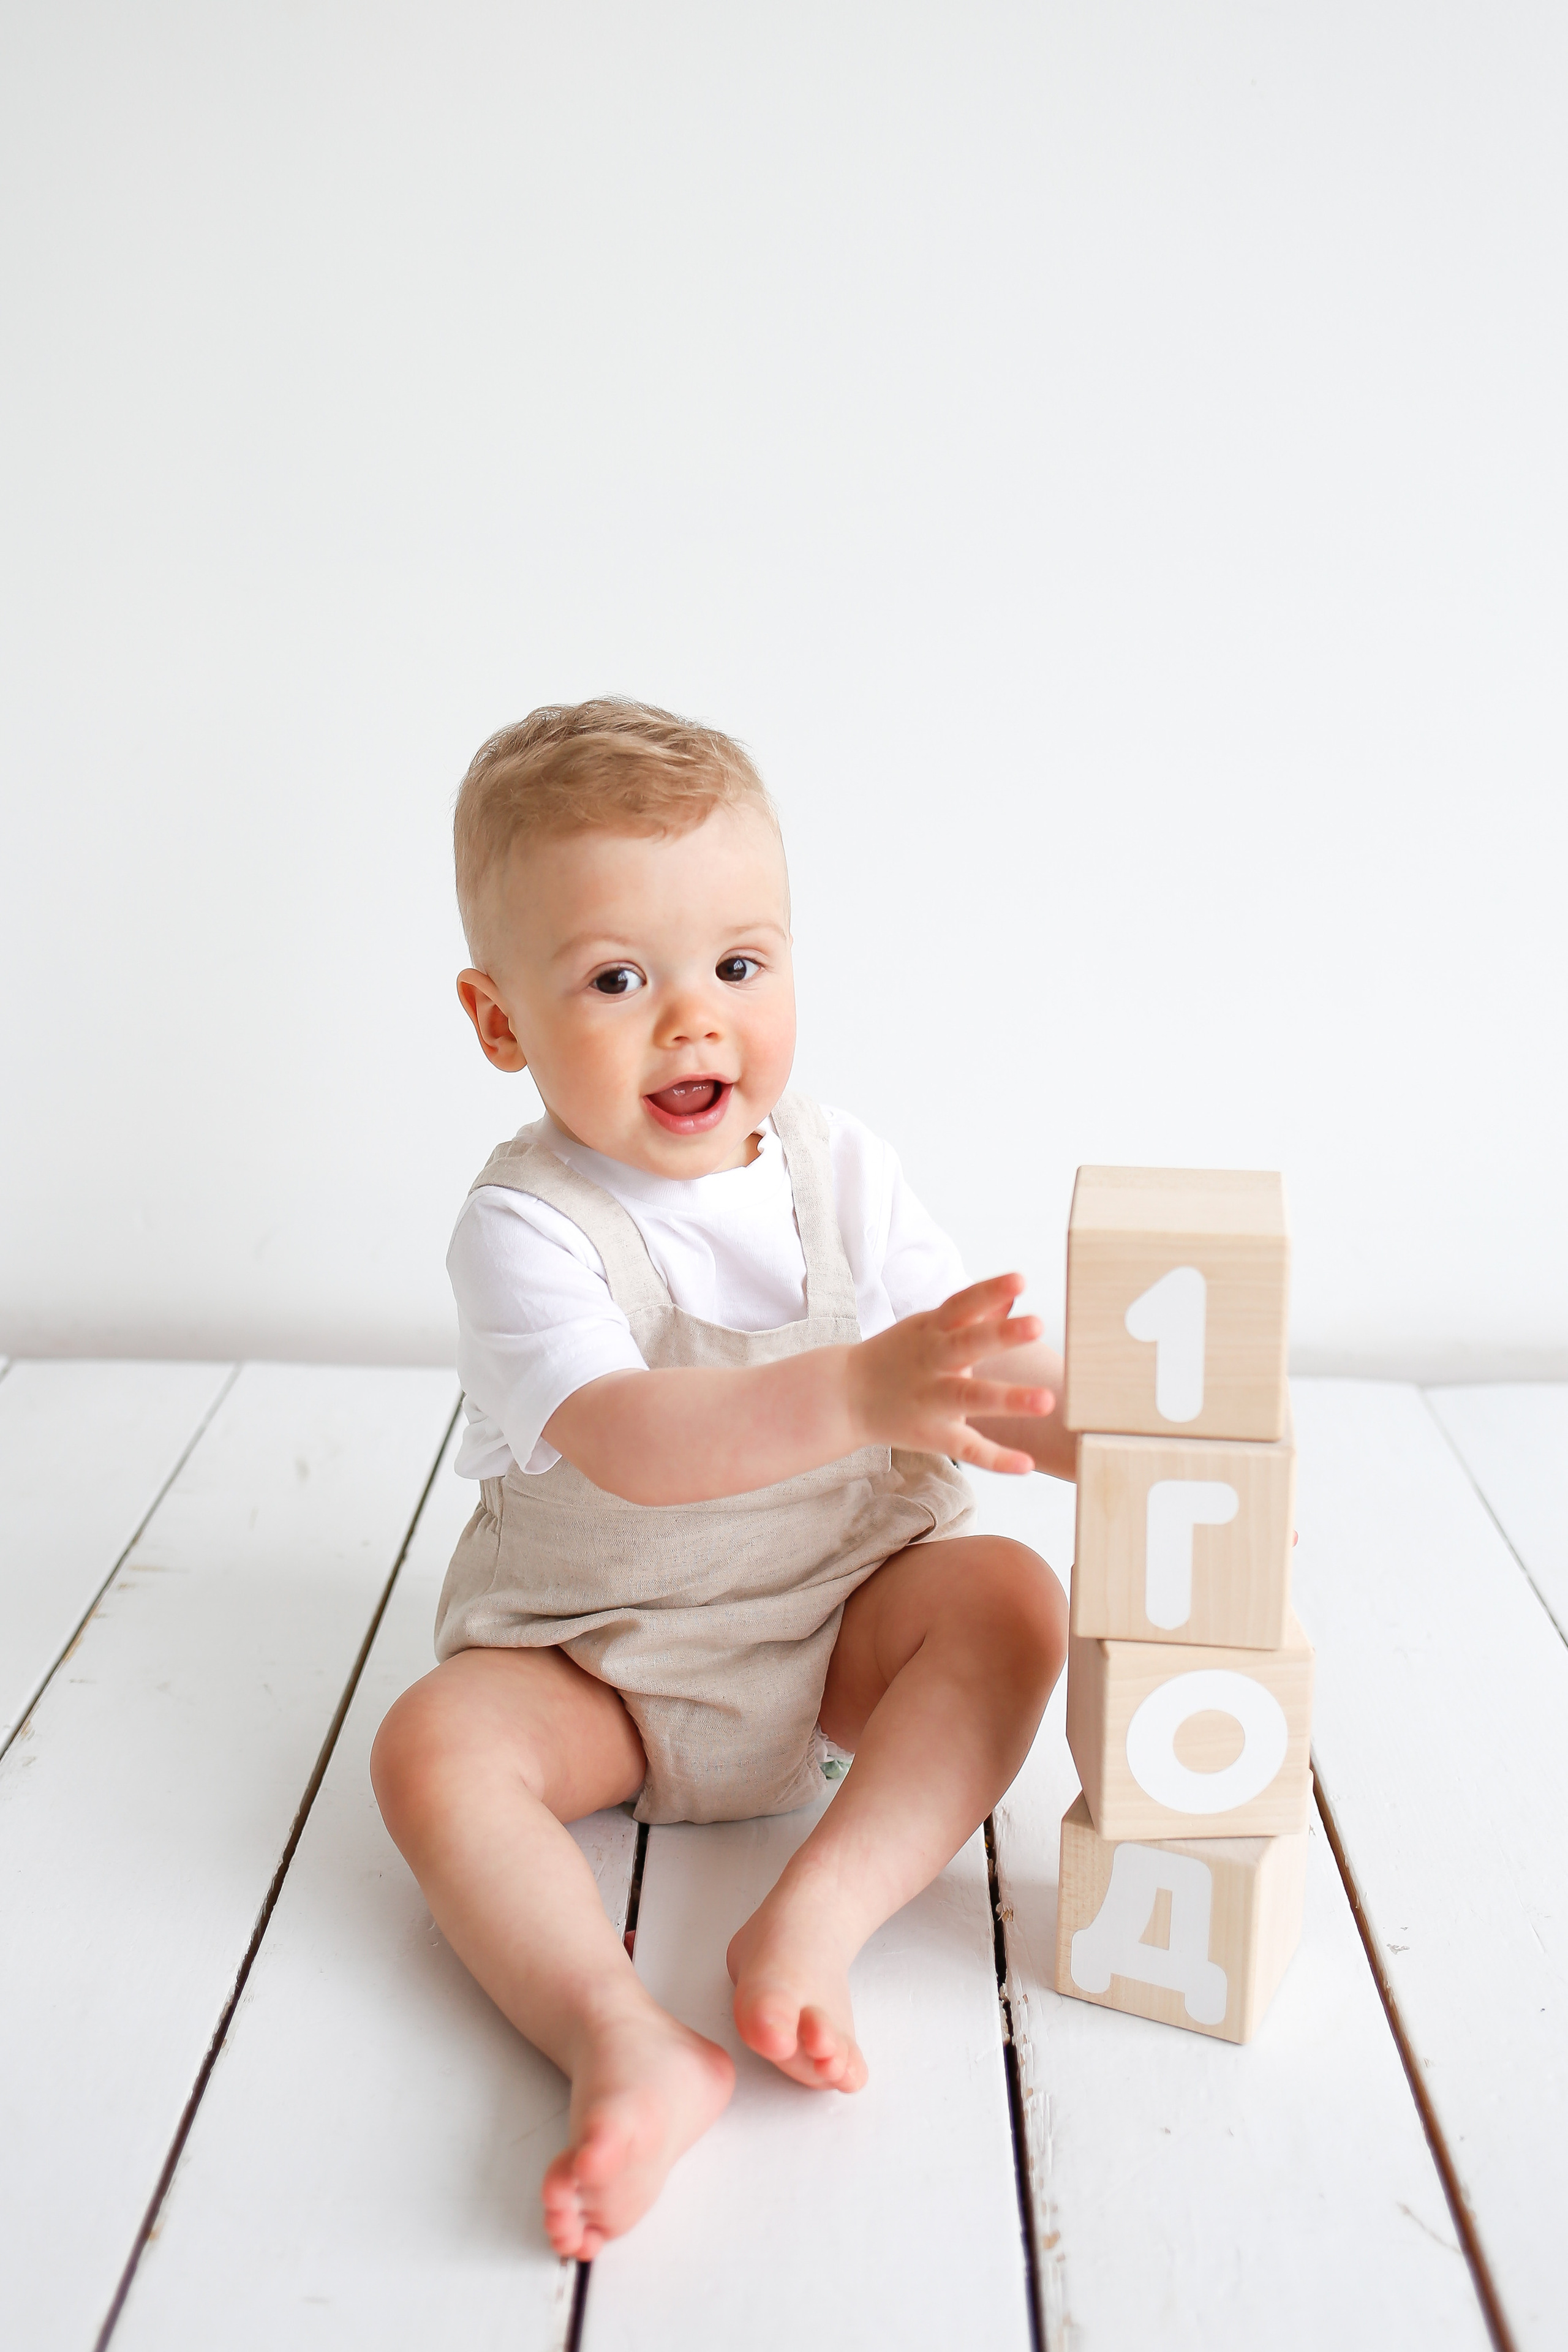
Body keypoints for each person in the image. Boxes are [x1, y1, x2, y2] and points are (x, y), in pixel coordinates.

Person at [370, 699, 1074, 2258]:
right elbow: (628, 1434)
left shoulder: (840, 1169)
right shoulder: (526, 1225)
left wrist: (1126, 1431)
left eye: (738, 967)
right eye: (619, 980)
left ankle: (816, 1918)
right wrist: (853, 1389)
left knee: (1010, 1600)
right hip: (599, 1667)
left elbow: (970, 1376)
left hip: (840, 1634)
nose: (695, 1022)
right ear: (500, 1023)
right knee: (430, 1749)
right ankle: (615, 2031)